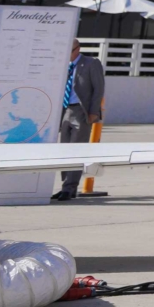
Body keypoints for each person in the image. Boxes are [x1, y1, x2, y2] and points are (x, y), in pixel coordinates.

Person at [50, 47, 107, 202]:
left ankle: (69, 188)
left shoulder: (91, 63)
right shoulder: (64, 65)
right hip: (65, 110)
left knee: (76, 149)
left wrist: (93, 111)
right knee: (64, 150)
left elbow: (99, 89)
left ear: (76, 50)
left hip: (82, 111)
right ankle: (66, 186)